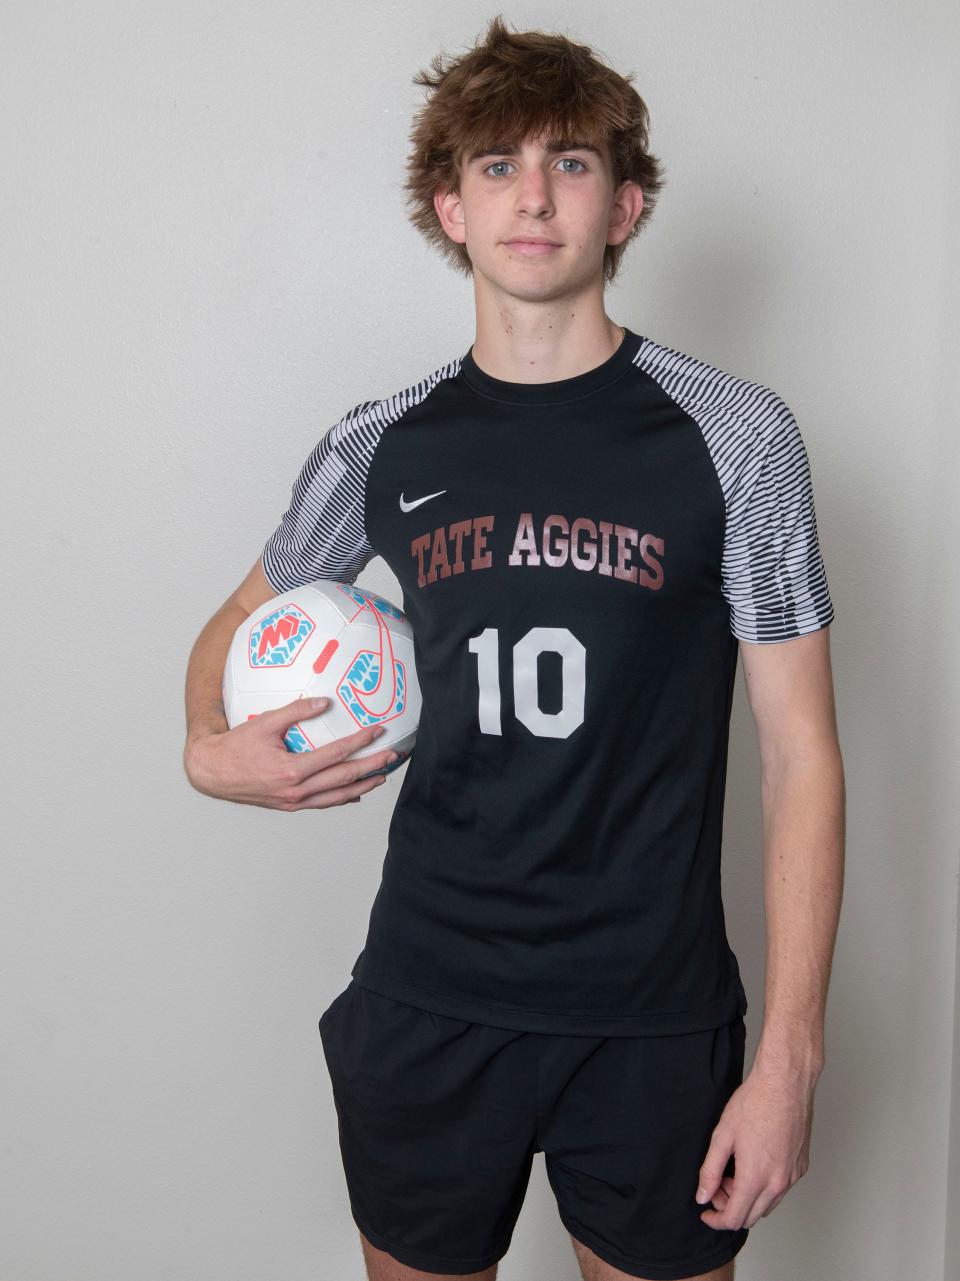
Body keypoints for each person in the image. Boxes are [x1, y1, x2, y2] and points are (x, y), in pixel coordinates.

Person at [182, 14, 845, 1281]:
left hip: (653, 1018)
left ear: (627, 205)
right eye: (497, 164)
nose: (533, 195)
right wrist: (207, 753)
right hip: (428, 999)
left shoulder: (740, 439)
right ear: (450, 205)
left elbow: (801, 755)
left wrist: (791, 1058)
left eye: (572, 163)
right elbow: (231, 629)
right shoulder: (381, 443)